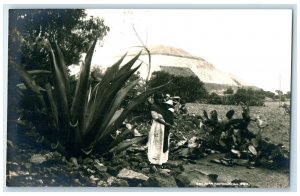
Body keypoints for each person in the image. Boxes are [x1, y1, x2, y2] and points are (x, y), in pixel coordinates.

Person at [148, 92, 174, 165]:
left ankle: (162, 158)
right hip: (157, 126)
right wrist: (166, 124)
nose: (159, 100)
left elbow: (169, 113)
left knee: (163, 140)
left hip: (164, 126)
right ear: (155, 99)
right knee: (157, 141)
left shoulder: (162, 106)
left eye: (161, 98)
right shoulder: (153, 107)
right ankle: (154, 158)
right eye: (158, 98)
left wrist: (169, 122)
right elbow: (156, 117)